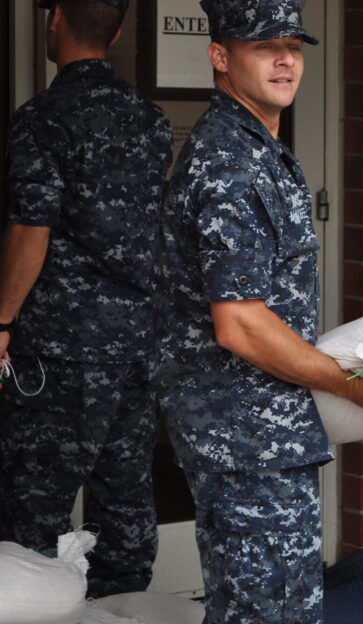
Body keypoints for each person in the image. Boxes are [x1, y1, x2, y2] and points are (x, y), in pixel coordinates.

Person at [153, 1, 363, 621]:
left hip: (263, 434)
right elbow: (240, 322)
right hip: (244, 438)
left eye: (294, 47)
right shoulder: (230, 163)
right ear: (220, 57)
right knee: (267, 611)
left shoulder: (260, 149)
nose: (284, 59)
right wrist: (355, 385)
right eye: (263, 46)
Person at [0, 0, 172, 598]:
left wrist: (0, 319)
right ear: (119, 31)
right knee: (124, 502)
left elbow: (31, 229)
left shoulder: (43, 118)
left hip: (59, 350)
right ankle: (123, 611)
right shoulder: (150, 121)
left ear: (55, 21)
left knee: (33, 514)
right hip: (135, 346)